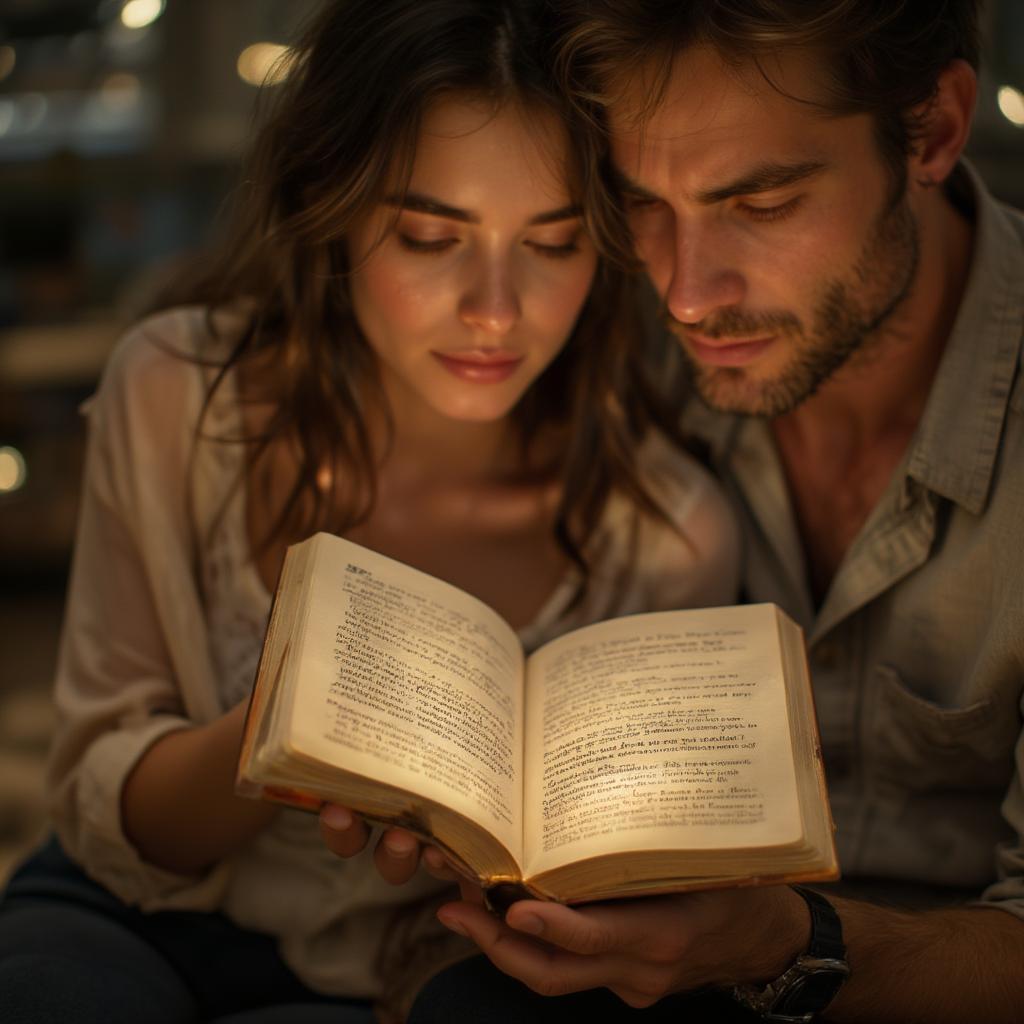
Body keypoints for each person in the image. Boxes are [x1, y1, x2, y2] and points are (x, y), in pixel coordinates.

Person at [0, 2, 740, 1023]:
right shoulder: (178, 392)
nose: (493, 308)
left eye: (553, 243)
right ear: (332, 204)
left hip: (433, 966)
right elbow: (103, 812)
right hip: (136, 908)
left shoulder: (661, 531)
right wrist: (283, 731)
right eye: (432, 237)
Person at [410, 2, 1024, 1022]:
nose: (687, 293)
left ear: (934, 130)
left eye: (764, 202)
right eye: (642, 202)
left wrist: (790, 942)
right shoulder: (621, 350)